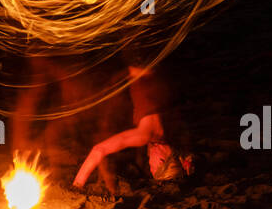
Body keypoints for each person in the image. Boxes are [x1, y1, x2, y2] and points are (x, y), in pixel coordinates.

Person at [72, 58, 193, 189]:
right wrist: (77, 185)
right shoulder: (144, 135)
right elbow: (98, 150)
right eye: (151, 165)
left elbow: (184, 153)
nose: (148, 159)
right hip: (140, 60)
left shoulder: (171, 131)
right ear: (161, 160)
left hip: (156, 65)